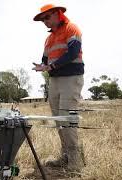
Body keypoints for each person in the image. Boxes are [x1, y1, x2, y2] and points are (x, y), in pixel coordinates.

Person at [32, 4, 85, 172]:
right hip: (54, 81)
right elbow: (46, 60)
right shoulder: (49, 38)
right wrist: (42, 66)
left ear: (57, 14)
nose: (44, 21)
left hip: (71, 79)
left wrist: (51, 66)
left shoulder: (72, 28)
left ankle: (75, 163)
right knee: (58, 120)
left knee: (67, 119)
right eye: (42, 19)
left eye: (46, 17)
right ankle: (65, 157)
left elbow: (73, 52)